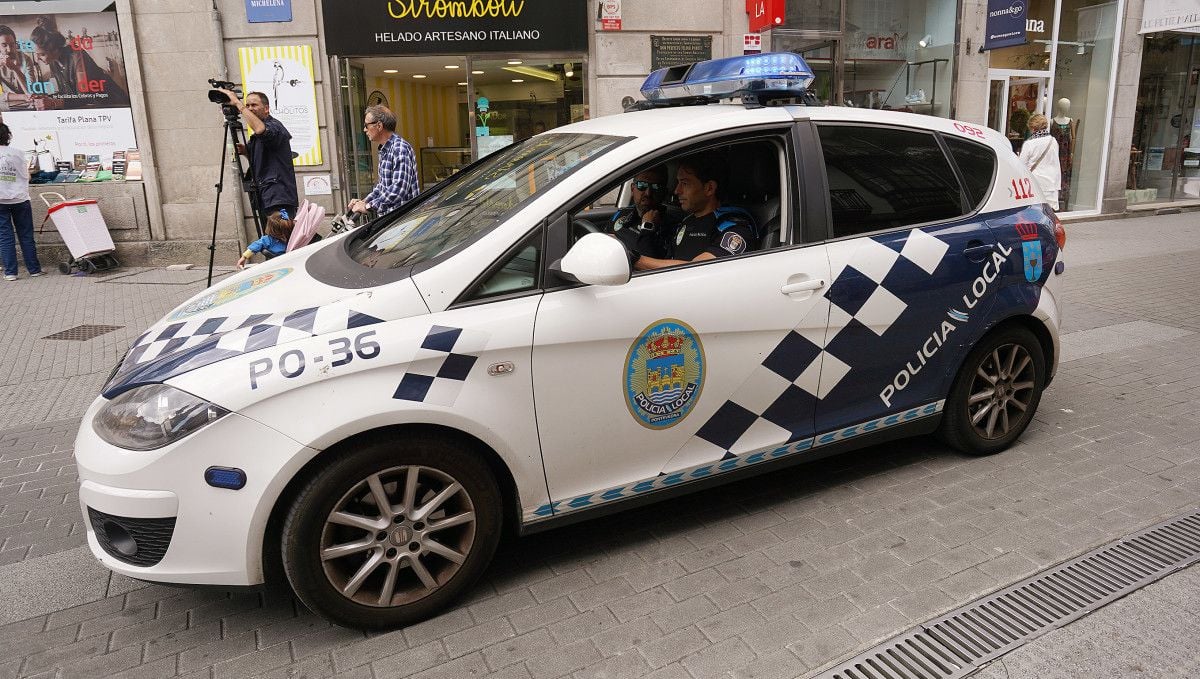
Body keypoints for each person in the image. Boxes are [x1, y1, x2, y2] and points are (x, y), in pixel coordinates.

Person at [633, 154, 757, 271]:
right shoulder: (686, 222)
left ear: (709, 188)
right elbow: (663, 259)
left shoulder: (734, 228)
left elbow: (698, 269)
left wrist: (634, 260)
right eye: (678, 183)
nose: (677, 191)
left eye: (685, 183)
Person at [217, 89, 299, 220]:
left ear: (266, 108)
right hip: (265, 195)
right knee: (271, 238)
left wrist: (239, 104)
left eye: (254, 105)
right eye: (247, 105)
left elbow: (261, 130)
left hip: (277, 196)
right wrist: (246, 151)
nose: (249, 109)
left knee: (280, 238)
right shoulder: (257, 136)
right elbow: (261, 161)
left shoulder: (274, 126)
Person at [29, 17, 128, 109]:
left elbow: (84, 97)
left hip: (114, 104)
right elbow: (66, 93)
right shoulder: (53, 62)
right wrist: (46, 97)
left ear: (54, 49)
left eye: (41, 54)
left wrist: (53, 102)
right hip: (94, 107)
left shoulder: (77, 56)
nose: (37, 59)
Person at [348, 105, 418, 217]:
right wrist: (363, 202)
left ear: (379, 125)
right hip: (391, 219)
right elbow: (382, 187)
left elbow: (399, 189)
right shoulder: (385, 149)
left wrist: (368, 206)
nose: (364, 129)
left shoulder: (400, 148)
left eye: (366, 125)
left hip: (402, 221)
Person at [0, 122, 42, 280]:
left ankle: (10, 272)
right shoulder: (17, 153)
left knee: (5, 236)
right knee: (26, 234)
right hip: (20, 198)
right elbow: (27, 176)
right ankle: (34, 269)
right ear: (7, 136)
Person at [607, 166, 674, 259]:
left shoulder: (670, 226)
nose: (648, 193)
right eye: (642, 185)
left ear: (664, 192)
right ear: (632, 189)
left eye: (656, 187)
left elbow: (650, 263)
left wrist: (648, 227)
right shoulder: (622, 214)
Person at [1019, 113, 1062, 207]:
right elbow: (1055, 162)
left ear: (1033, 128)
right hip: (1051, 183)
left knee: (1036, 212)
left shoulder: (1030, 144)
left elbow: (1021, 165)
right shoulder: (1053, 141)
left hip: (1036, 183)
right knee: (1050, 214)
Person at [0, 26, 35, 111]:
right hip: (5, 107)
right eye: (4, 45)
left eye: (12, 45)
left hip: (28, 105)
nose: (9, 49)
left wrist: (15, 68)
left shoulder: (26, 60)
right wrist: (23, 96)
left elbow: (30, 91)